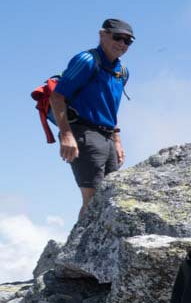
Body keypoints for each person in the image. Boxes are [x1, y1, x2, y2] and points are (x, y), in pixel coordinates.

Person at [50, 18, 134, 209]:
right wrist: (66, 134)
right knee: (92, 197)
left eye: (128, 41)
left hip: (107, 137)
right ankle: (81, 240)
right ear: (102, 35)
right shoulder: (86, 61)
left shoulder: (122, 71)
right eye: (117, 37)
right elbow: (56, 97)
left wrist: (117, 141)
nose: (122, 44)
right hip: (84, 133)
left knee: (112, 194)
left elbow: (111, 106)